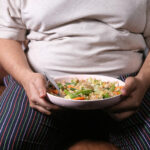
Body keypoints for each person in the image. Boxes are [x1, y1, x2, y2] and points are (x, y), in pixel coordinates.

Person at [0, 0, 150, 150]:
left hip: (127, 87)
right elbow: (6, 36)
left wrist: (143, 81)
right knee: (6, 142)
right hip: (40, 83)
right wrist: (26, 77)